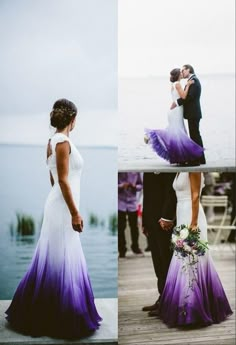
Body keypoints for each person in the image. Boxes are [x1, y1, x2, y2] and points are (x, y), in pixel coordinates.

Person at [5, 99, 102, 338]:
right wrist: (74, 212)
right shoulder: (62, 142)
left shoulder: (52, 142)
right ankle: (59, 316)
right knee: (61, 257)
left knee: (59, 257)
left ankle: (53, 309)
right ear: (72, 119)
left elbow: (52, 177)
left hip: (57, 203)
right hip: (62, 208)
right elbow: (62, 180)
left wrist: (63, 203)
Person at [159, 172, 233, 327]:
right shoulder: (179, 169)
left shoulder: (194, 169)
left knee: (191, 258)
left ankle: (192, 309)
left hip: (192, 217)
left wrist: (193, 223)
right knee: (182, 257)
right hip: (181, 213)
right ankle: (184, 306)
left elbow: (194, 196)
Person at [145, 68, 204, 166]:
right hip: (176, 112)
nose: (182, 73)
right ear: (178, 75)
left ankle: (180, 157)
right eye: (181, 72)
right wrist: (188, 85)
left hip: (175, 111)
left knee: (175, 133)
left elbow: (177, 98)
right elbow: (184, 97)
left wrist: (177, 101)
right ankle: (153, 136)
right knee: (178, 133)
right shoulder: (177, 84)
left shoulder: (173, 84)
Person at [142, 173, 177, 316]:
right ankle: (162, 297)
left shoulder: (167, 162)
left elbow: (171, 191)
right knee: (157, 262)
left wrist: (167, 216)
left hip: (164, 221)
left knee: (166, 261)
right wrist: (145, 221)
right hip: (150, 219)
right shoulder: (147, 164)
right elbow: (147, 193)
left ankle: (169, 301)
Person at [171, 64, 206, 165]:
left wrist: (177, 103)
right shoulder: (191, 80)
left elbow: (189, 97)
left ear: (188, 70)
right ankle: (200, 159)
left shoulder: (194, 80)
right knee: (195, 136)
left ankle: (196, 161)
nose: (182, 73)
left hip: (194, 113)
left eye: (183, 70)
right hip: (192, 113)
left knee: (195, 136)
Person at [118, 172, 143, 257]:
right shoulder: (119, 170)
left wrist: (134, 187)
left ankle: (135, 247)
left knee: (134, 227)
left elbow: (140, 185)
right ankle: (122, 250)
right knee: (120, 228)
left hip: (132, 203)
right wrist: (121, 186)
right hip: (120, 203)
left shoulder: (136, 170)